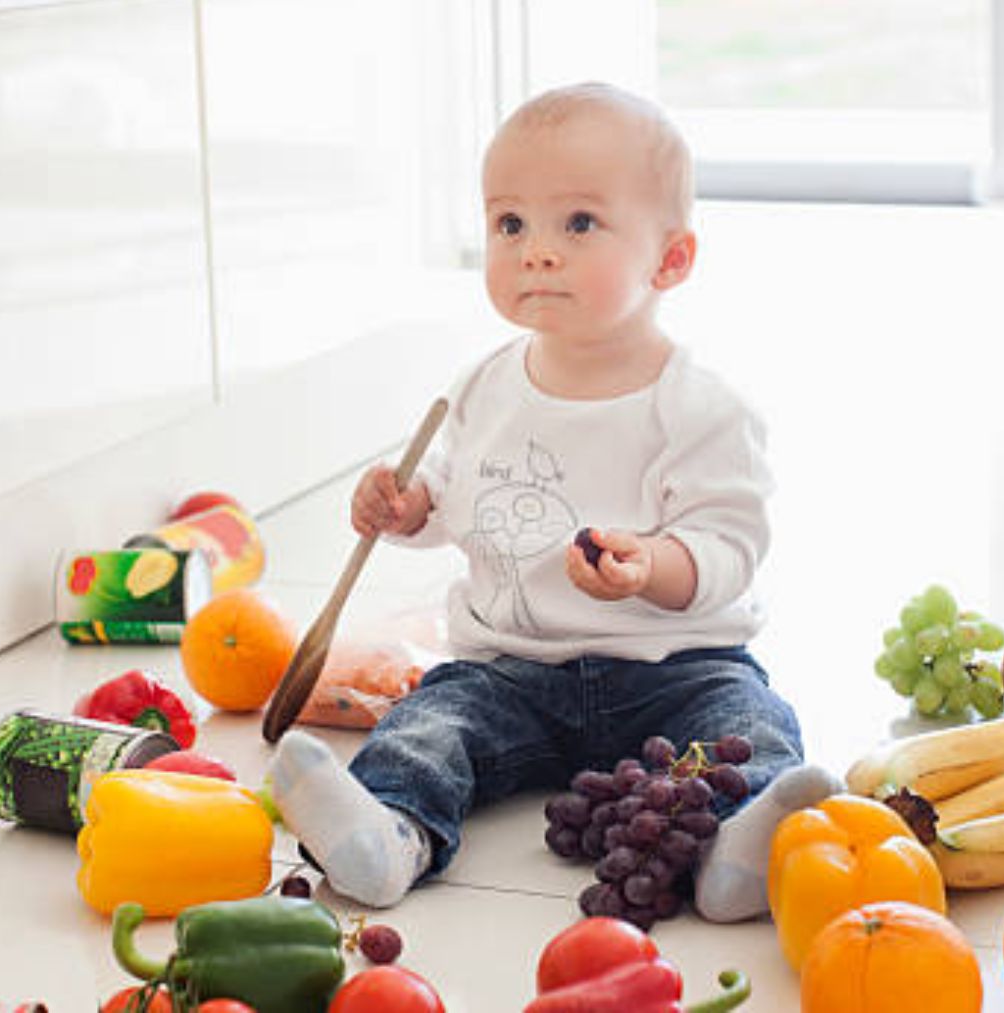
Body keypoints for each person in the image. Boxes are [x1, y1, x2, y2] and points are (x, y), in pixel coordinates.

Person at [267, 81, 840, 922]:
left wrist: (653, 566)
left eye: (578, 224)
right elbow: (461, 502)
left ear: (670, 260)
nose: (536, 251)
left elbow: (727, 547)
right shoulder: (486, 386)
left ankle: (733, 847)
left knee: (745, 722)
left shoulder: (700, 406)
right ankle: (390, 831)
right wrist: (409, 506)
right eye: (510, 224)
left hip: (672, 669)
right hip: (510, 669)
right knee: (431, 723)